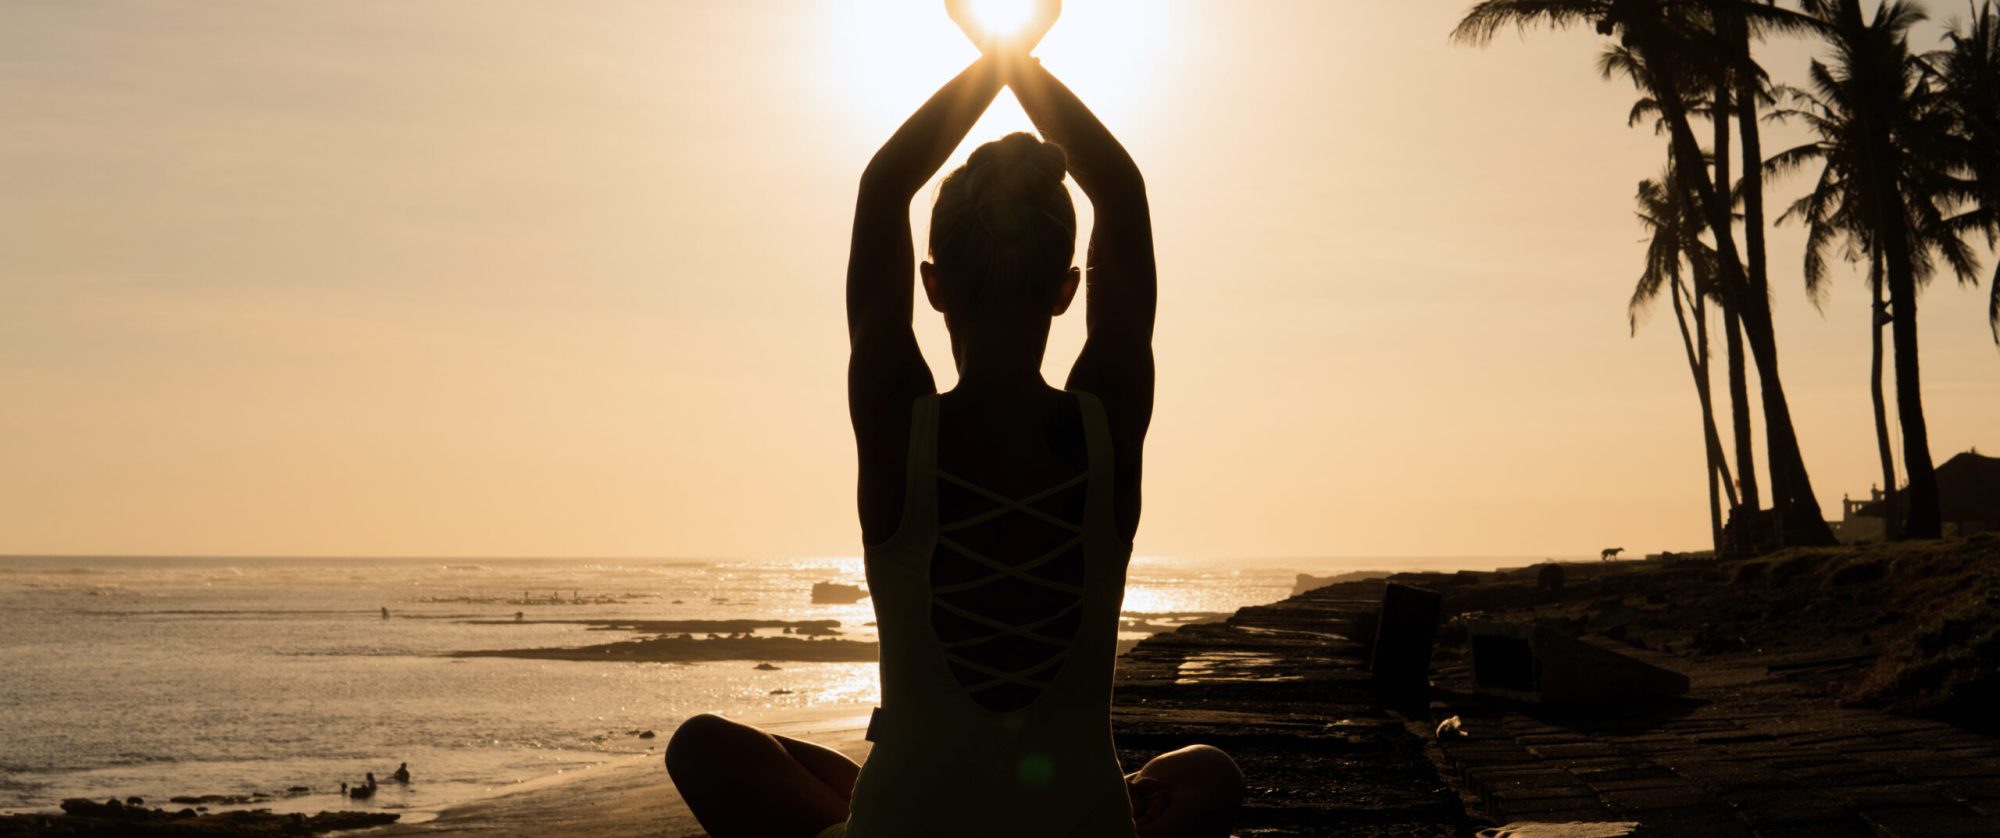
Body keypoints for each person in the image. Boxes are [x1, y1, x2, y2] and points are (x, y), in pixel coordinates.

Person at [666, 1, 1241, 836]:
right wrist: (1019, 58)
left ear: (932, 287)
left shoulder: (900, 428)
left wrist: (991, 55)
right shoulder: (1107, 426)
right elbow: (1121, 188)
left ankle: (858, 806)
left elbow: (881, 186)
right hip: (1078, 822)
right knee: (1211, 776)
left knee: (702, 747)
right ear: (1066, 290)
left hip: (906, 822)